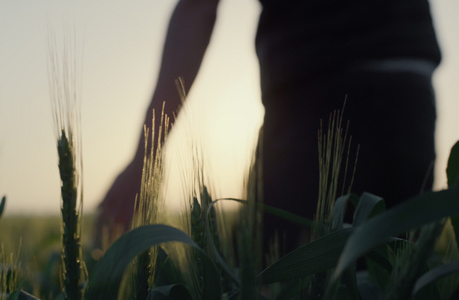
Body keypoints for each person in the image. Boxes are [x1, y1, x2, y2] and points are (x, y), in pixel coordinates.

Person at [93, 0, 441, 255]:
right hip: (411, 94)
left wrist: (145, 156)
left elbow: (197, 9)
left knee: (261, 279)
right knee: (391, 276)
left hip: (313, 97)